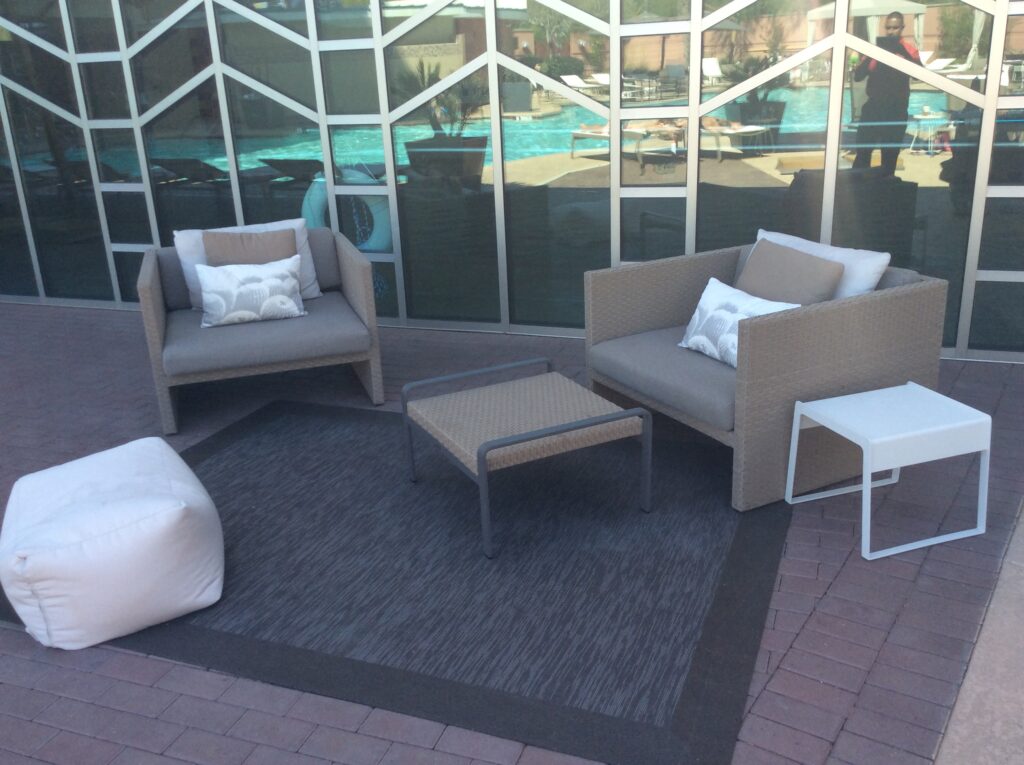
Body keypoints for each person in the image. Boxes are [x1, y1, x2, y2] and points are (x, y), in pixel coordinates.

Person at [851, 12, 922, 174]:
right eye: (888, 28)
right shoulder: (875, 51)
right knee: (862, 153)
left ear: (902, 28)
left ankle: (886, 185)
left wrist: (901, 51)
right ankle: (858, 185)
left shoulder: (909, 50)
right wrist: (875, 53)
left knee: (889, 157)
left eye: (895, 28)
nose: (891, 32)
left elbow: (919, 74)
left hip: (896, 110)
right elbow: (858, 75)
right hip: (874, 108)